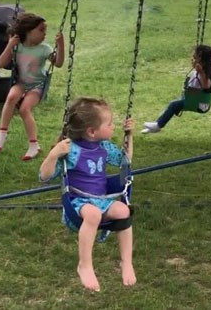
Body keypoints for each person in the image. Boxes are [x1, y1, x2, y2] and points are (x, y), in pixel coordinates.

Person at [39, 97, 137, 291]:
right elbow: (44, 176)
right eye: (109, 124)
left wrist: (129, 135)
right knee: (93, 214)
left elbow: (125, 161)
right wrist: (53, 154)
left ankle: (126, 262)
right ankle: (85, 265)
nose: (113, 127)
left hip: (101, 201)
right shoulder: (71, 149)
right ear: (92, 131)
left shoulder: (104, 147)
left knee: (123, 211)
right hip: (78, 203)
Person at [0, 13, 65, 160]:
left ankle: (34, 146)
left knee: (24, 109)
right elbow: (0, 64)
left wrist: (61, 45)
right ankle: (2, 135)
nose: (44, 34)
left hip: (38, 85)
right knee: (11, 97)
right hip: (21, 83)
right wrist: (10, 45)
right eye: (41, 30)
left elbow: (58, 63)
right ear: (28, 31)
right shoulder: (17, 46)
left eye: (45, 31)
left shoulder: (44, 49)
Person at [142, 45, 211, 133]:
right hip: (194, 101)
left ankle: (158, 125)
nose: (192, 60)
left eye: (195, 58)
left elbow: (206, 86)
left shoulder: (206, 73)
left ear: (202, 60)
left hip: (201, 105)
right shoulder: (199, 70)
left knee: (173, 105)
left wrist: (201, 72)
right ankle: (157, 124)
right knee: (172, 106)